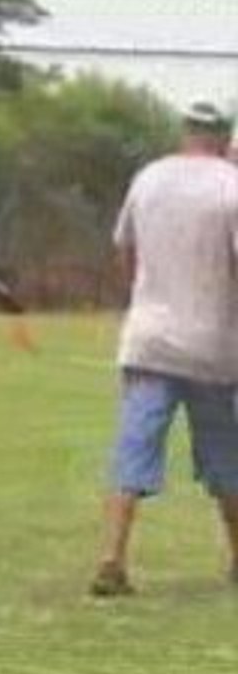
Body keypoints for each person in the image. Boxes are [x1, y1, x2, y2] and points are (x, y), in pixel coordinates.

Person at [90, 102, 238, 597]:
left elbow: (125, 251)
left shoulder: (148, 177)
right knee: (224, 457)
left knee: (133, 448)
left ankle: (111, 558)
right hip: (212, 346)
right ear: (224, 137)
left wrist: (144, 300)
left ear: (185, 133)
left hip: (148, 339)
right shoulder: (231, 186)